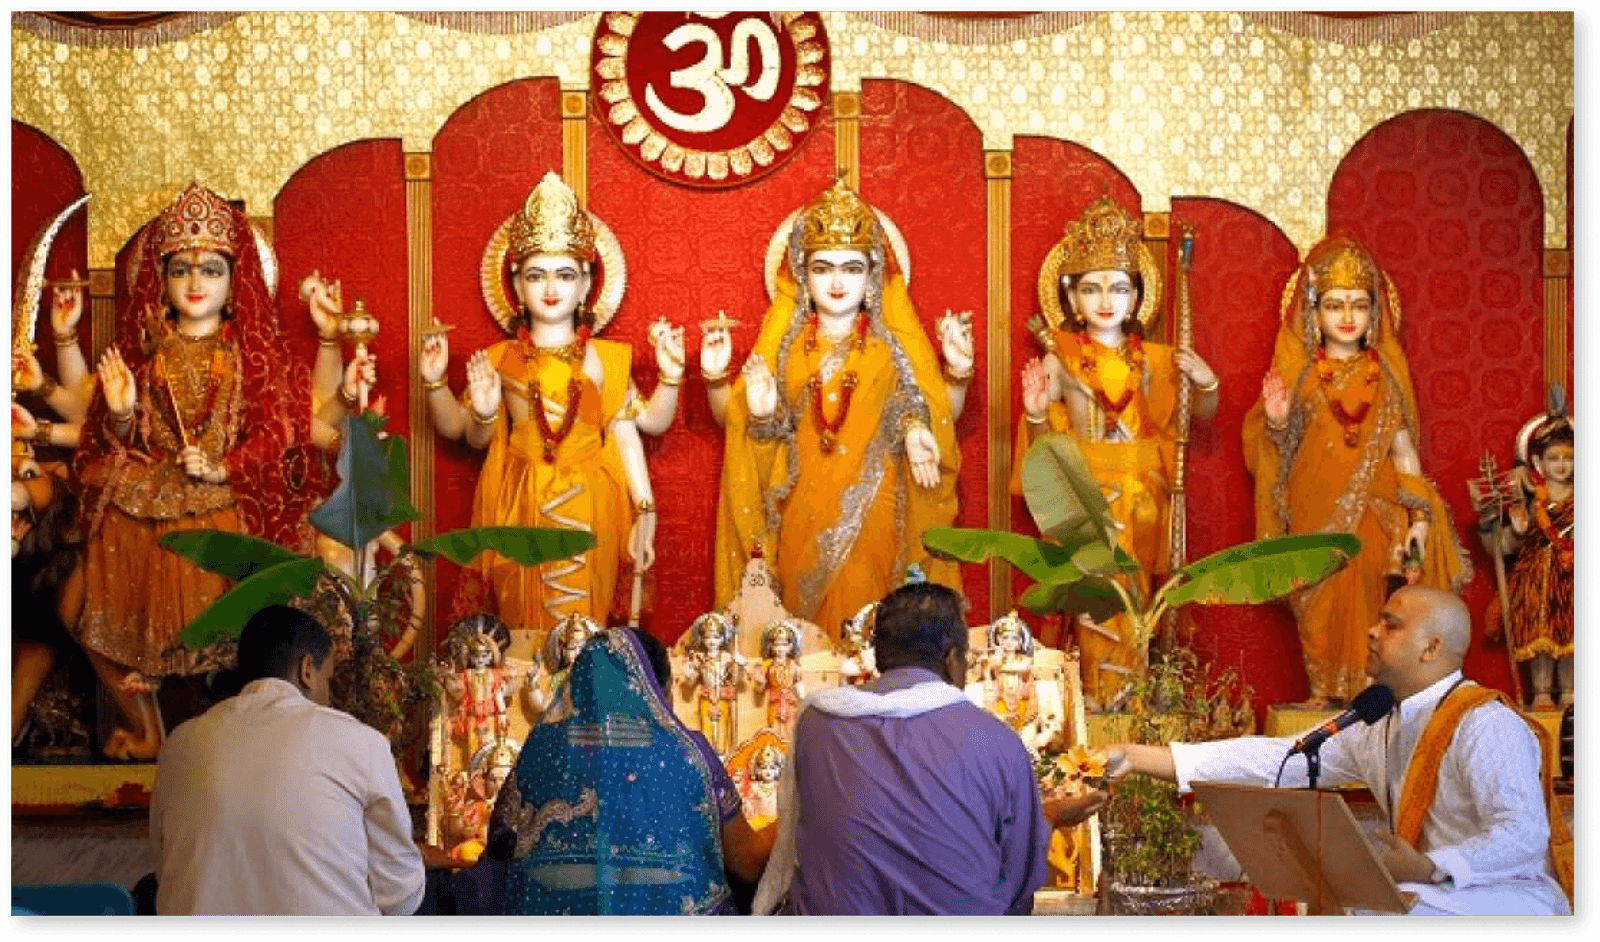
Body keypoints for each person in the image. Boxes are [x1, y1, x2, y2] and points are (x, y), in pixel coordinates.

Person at [1106, 586, 1572, 916]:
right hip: (1426, 892)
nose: (1371, 631)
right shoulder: (1379, 722)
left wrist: (1432, 867)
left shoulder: (1486, 724)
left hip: (1504, 895)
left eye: (1390, 625)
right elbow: (1282, 760)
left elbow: (1522, 835)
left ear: (1431, 647)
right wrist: (1141, 758)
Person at [73, 182, 330, 759]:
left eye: (211, 270)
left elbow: (278, 435)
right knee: (110, 535)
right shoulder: (147, 351)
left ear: (234, 282)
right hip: (152, 485)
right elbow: (118, 440)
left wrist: (222, 467)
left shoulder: (249, 355)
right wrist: (121, 411)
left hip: (224, 493)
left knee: (219, 555)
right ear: (160, 280)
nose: (196, 283)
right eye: (181, 270)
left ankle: (231, 726)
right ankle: (147, 724)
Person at [418, 172, 682, 646]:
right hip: (520, 500)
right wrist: (440, 384)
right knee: (524, 630)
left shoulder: (606, 358)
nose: (551, 288)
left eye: (565, 275)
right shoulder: (501, 359)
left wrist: (671, 377)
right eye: (536, 275)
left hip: (594, 503)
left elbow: (641, 426)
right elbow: (465, 433)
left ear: (586, 285)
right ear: (517, 286)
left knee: (589, 628)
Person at [702, 179, 974, 635]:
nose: (836, 282)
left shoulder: (891, 349)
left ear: (872, 277)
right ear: (802, 275)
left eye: (851, 268)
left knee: (870, 618)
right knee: (804, 629)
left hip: (877, 506)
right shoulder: (785, 351)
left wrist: (933, 407)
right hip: (802, 507)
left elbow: (931, 411)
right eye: (822, 268)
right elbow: (742, 428)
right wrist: (755, 409)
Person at [752, 582, 1106, 915]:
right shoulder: (995, 740)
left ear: (879, 657)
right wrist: (1048, 818)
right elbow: (1018, 885)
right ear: (952, 659)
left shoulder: (818, 724)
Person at [1242, 234, 1468, 709]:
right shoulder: (1302, 375)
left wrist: (1420, 519)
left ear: (1375, 314)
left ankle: (1367, 689)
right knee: (1317, 598)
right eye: (1334, 305)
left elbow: (1403, 452)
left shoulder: (1386, 376)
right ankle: (1322, 691)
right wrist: (1277, 422)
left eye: (1359, 305)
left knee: (1372, 601)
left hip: (1374, 510)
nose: (1347, 316)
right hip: (1312, 506)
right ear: (1313, 313)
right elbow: (1278, 456)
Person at [1016, 196, 1219, 709]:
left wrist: (1207, 383)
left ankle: (1136, 706)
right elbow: (1043, 449)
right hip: (1086, 497)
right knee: (1096, 603)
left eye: (1119, 288)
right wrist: (1036, 412)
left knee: (1139, 604)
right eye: (1092, 288)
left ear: (1136, 298)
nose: (1105, 300)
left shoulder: (1156, 359)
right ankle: (1096, 703)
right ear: (1071, 297)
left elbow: (1194, 417)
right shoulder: (1060, 357)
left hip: (1145, 499)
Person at [149, 604, 433, 915]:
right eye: (328, 679)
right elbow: (400, 895)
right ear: (307, 670)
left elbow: (168, 870)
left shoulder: (180, 744)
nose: (328, 694)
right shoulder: (361, 743)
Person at [476, 626, 776, 915]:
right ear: (655, 691)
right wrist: (792, 817)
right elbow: (746, 864)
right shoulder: (686, 752)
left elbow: (500, 846)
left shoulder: (540, 748)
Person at [1501, 416, 1574, 710]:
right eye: (1553, 459)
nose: (1561, 465)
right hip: (1537, 574)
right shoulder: (1533, 497)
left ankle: (1568, 690)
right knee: (1538, 632)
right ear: (1538, 462)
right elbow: (1516, 539)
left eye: (1568, 458)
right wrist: (1519, 529)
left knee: (1570, 635)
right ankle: (1541, 692)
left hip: (1569, 572)